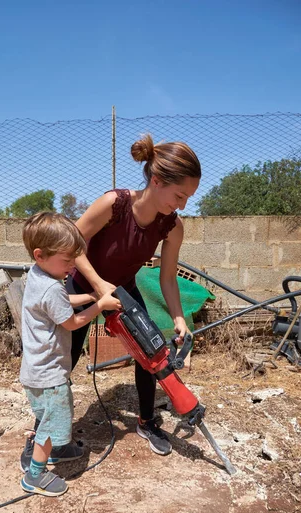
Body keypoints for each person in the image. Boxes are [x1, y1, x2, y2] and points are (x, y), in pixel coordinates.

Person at [65, 133, 201, 456]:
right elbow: (71, 243)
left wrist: (179, 318)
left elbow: (167, 278)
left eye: (188, 198)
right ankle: (46, 430)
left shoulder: (172, 226)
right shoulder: (114, 204)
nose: (181, 205)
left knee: (150, 348)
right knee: (64, 358)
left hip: (124, 289)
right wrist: (98, 286)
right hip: (84, 285)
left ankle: (146, 420)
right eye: (179, 195)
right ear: (156, 181)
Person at [19, 211, 121, 496]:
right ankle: (34, 477)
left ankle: (56, 451)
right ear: (40, 254)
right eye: (66, 261)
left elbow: (60, 302)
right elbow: (72, 321)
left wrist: (90, 296)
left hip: (35, 371)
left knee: (49, 418)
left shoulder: (37, 276)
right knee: (52, 424)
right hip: (50, 375)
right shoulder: (52, 287)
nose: (70, 267)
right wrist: (100, 305)